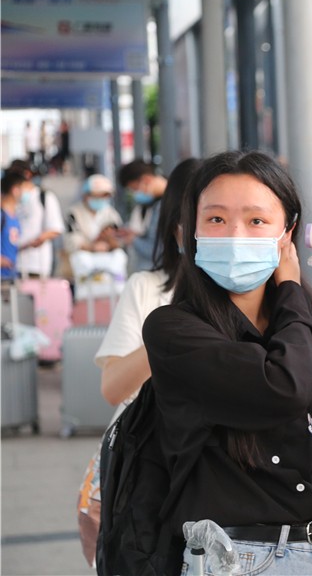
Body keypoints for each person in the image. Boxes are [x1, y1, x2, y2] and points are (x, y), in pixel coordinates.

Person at [141, 150, 312, 574]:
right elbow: (284, 388)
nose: (235, 235)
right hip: (242, 560)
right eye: (216, 219)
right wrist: (291, 287)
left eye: (256, 220)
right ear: (192, 230)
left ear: (287, 232)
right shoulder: (172, 329)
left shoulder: (307, 326)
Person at [77, 158, 200, 569]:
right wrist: (175, 328)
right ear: (176, 225)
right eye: (209, 218)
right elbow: (113, 387)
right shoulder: (146, 288)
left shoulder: (262, 297)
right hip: (144, 470)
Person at [7, 159, 65, 279]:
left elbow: (55, 228)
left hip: (36, 265)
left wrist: (37, 240)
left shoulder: (44, 197)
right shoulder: (7, 199)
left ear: (27, 174)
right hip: (9, 264)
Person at [118, 160, 168, 271]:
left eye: (135, 189)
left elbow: (158, 250)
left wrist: (134, 240)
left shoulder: (166, 204)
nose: (136, 194)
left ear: (146, 179)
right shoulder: (154, 204)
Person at [1, 170, 33, 281]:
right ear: (15, 190)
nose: (27, 193)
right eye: (25, 189)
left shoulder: (15, 216)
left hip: (10, 277)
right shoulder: (2, 215)